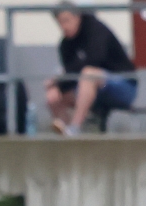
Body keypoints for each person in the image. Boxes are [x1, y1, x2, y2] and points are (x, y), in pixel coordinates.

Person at [45, 2, 138, 136]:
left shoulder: (96, 30)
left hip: (123, 84)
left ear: (77, 17)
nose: (64, 26)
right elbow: (70, 76)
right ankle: (65, 132)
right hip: (92, 89)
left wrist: (60, 81)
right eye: (60, 23)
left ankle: (75, 128)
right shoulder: (65, 45)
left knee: (88, 74)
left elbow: (94, 60)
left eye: (67, 21)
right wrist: (57, 87)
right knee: (53, 95)